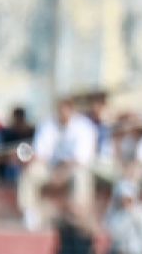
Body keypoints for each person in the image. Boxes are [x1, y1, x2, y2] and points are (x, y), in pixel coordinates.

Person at [18, 97, 98, 231]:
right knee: (30, 172)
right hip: (51, 168)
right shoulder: (48, 124)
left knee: (81, 175)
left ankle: (78, 211)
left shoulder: (84, 127)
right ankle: (30, 212)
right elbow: (41, 153)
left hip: (72, 168)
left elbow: (81, 159)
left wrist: (62, 173)